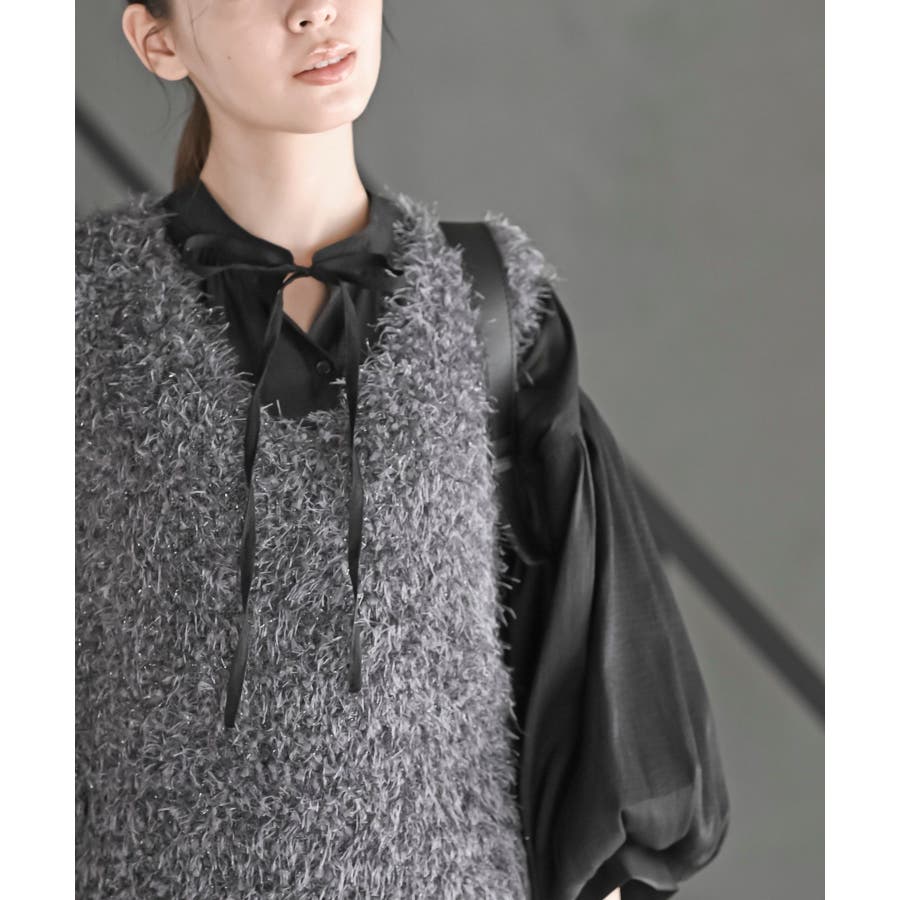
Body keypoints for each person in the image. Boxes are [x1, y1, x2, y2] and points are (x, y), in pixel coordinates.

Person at [74, 2, 730, 898]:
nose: (314, 10)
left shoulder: (492, 308)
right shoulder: (76, 310)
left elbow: (602, 701)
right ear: (158, 40)